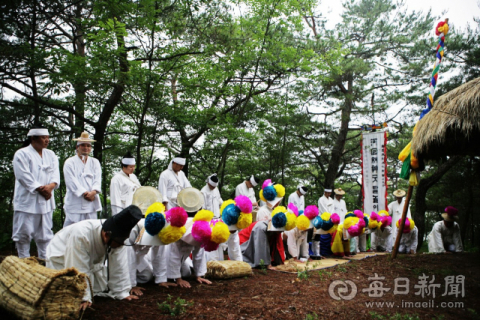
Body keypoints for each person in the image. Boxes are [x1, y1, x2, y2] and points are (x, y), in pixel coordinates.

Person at [46, 205, 143, 311]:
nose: (121, 245)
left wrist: (122, 292)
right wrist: (84, 297)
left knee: (100, 287)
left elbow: (119, 265)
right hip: (62, 259)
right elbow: (78, 266)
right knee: (65, 294)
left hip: (92, 263)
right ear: (106, 235)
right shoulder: (81, 235)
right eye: (118, 242)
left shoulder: (118, 237)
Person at [12, 125, 60, 259]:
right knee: (23, 233)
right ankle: (24, 261)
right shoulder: (21, 154)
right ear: (33, 138)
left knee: (45, 234)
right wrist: (40, 189)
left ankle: (45, 261)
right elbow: (23, 176)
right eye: (44, 137)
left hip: (46, 201)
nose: (47, 140)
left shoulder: (50, 154)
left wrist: (51, 186)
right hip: (27, 201)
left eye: (48, 137)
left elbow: (55, 174)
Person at [167, 188, 211, 288]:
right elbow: (172, 252)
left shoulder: (199, 224)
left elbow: (199, 250)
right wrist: (178, 278)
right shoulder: (176, 224)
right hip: (166, 258)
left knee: (186, 273)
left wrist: (198, 275)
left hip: (182, 258)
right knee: (146, 277)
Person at [63, 132, 102, 227]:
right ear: (77, 147)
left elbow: (97, 179)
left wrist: (93, 192)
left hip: (91, 204)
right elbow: (71, 181)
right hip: (75, 203)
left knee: (91, 230)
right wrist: (84, 193)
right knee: (72, 230)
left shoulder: (95, 162)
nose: (86, 148)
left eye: (88, 145)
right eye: (83, 145)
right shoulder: (69, 162)